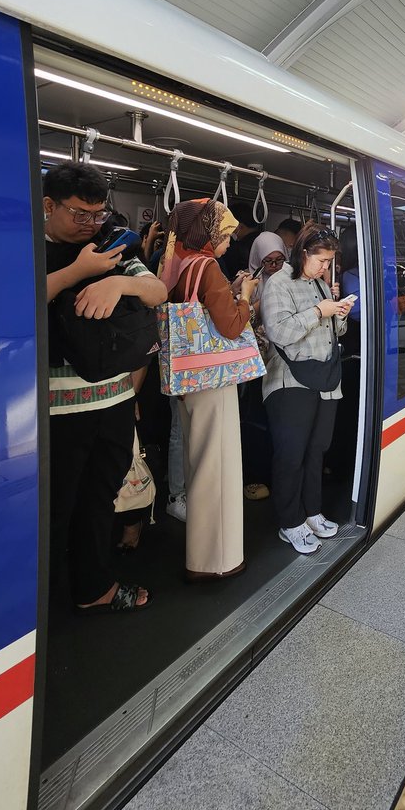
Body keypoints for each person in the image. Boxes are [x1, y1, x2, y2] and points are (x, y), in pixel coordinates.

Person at [44, 163, 166, 614]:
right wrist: (78, 272)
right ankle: (45, 607)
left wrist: (117, 280)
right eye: (79, 214)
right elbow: (18, 301)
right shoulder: (31, 245)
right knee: (56, 509)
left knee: (100, 500)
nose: (89, 224)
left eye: (97, 214)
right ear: (48, 205)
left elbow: (156, 291)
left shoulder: (110, 244)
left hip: (114, 399)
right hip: (57, 408)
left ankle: (95, 588)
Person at [160, 199, 258, 580]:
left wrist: (227, 292)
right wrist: (245, 296)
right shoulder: (208, 266)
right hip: (213, 380)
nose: (229, 242)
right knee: (218, 466)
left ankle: (199, 553)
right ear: (207, 232)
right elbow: (232, 327)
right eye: (225, 234)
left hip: (187, 380)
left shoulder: (178, 263)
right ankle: (215, 561)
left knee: (196, 460)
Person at [261, 222, 350, 554]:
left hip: (324, 378)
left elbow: (335, 332)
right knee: (291, 454)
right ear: (302, 253)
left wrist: (338, 310)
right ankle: (290, 522)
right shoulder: (278, 284)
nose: (325, 267)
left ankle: (312, 512)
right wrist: (319, 311)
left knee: (317, 450)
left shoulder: (322, 285)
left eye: (328, 262)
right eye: (321, 260)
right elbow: (279, 332)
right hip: (290, 382)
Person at [241, 230, 289, 500]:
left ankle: (277, 474)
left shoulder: (292, 280)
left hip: (284, 362)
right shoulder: (248, 282)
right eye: (268, 261)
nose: (274, 266)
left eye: (279, 260)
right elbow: (239, 325)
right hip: (257, 365)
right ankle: (256, 478)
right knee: (256, 421)